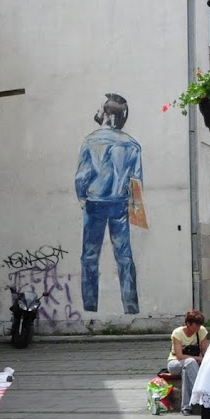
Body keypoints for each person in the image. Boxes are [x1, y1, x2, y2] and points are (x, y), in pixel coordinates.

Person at [75, 93, 144, 314]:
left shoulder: (91, 140)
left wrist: (81, 196)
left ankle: (89, 307)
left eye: (100, 108)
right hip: (120, 204)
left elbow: (82, 176)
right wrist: (136, 212)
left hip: (95, 203)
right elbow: (136, 182)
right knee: (124, 258)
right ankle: (131, 307)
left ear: (107, 114)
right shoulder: (133, 144)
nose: (97, 111)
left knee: (89, 256)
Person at [165, 310, 210, 415]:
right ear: (188, 324)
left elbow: (204, 350)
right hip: (175, 363)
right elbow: (179, 356)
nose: (198, 328)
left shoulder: (202, 331)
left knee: (186, 371)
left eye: (199, 325)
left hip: (190, 365)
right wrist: (198, 359)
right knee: (189, 362)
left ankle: (186, 407)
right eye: (195, 325)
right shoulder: (178, 333)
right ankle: (200, 392)